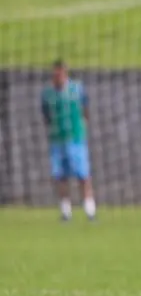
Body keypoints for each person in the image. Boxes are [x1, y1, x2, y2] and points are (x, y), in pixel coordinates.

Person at [41, 60, 97, 222]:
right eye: (55, 74)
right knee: (60, 176)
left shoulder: (76, 89)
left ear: (65, 74)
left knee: (83, 175)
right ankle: (66, 212)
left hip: (76, 139)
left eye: (60, 73)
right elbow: (45, 114)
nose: (57, 77)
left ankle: (90, 210)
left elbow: (85, 108)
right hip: (57, 140)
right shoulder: (47, 93)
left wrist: (83, 125)